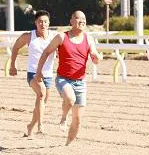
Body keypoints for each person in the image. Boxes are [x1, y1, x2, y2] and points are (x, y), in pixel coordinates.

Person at [35, 10, 102, 146]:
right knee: (70, 99)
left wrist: (96, 58)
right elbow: (46, 52)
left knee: (77, 119)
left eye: (83, 18)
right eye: (77, 18)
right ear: (71, 21)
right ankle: (64, 118)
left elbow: (95, 56)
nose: (81, 21)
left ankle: (67, 144)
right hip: (63, 79)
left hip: (80, 82)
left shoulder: (89, 39)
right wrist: (38, 72)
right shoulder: (61, 37)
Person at [9, 10, 56, 137]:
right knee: (41, 94)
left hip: (48, 75)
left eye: (45, 21)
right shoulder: (29, 36)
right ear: (35, 22)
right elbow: (15, 47)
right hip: (33, 74)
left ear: (49, 23)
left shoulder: (54, 37)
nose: (43, 24)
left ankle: (30, 126)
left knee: (42, 102)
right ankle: (40, 126)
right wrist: (12, 65)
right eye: (40, 21)